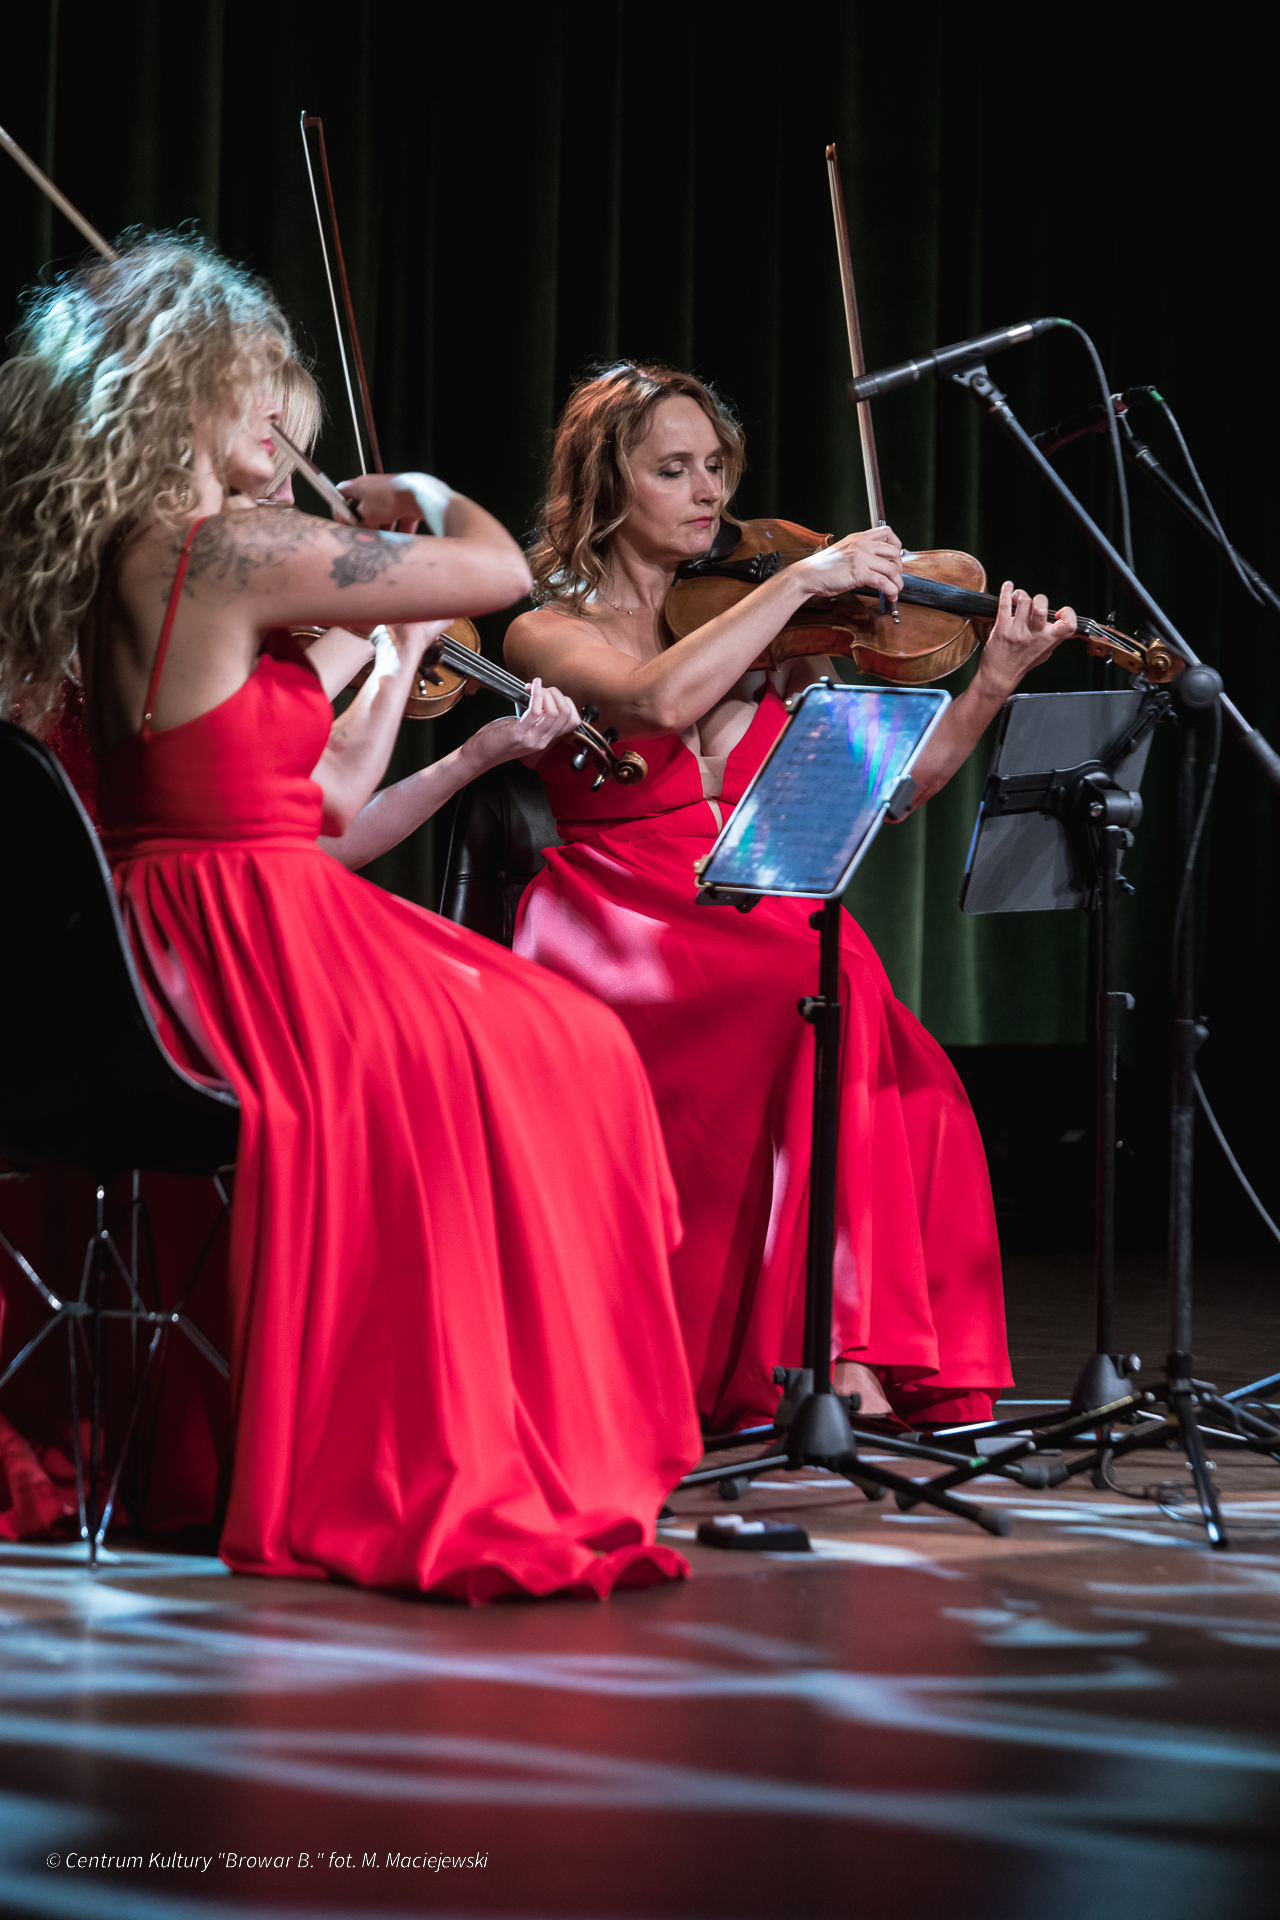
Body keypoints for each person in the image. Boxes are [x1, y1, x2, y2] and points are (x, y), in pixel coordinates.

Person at [0, 241, 701, 1599]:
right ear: (185, 393)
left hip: (166, 928)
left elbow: (307, 785)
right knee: (558, 1048)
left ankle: (450, 1406)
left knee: (535, 1041)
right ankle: (452, 1429)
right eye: (262, 397)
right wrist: (424, 497)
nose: (286, 433)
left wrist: (381, 650)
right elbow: (494, 574)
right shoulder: (224, 549)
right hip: (240, 925)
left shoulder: (138, 562)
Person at [501, 362, 1078, 1433]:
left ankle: (841, 1351)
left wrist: (992, 680)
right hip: (620, 912)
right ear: (605, 483)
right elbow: (654, 699)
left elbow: (890, 791)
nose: (707, 492)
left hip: (751, 892)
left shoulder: (769, 641)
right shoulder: (546, 631)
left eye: (715, 466)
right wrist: (802, 581)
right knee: (820, 991)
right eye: (672, 469)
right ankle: (825, 1363)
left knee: (909, 1066)